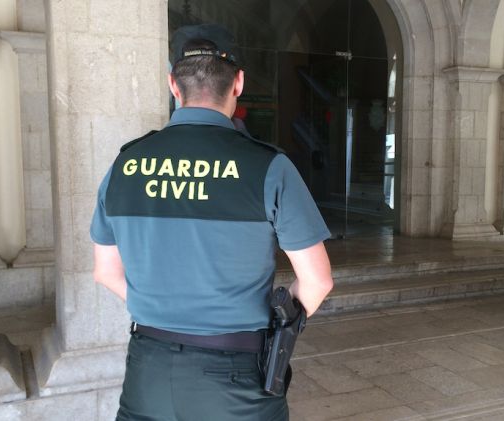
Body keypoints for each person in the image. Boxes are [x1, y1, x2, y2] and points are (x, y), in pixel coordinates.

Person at [89, 24, 334, 421]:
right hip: (235, 373)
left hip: (148, 368)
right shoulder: (268, 166)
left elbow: (105, 272)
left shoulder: (125, 165)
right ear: (238, 83)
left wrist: (160, 310)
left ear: (173, 84)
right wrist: (277, 331)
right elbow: (318, 281)